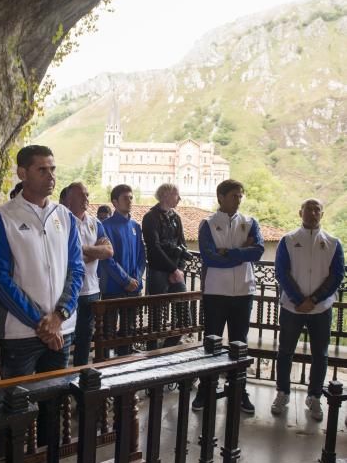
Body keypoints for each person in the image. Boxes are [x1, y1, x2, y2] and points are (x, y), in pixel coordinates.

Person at [0, 144, 84, 463]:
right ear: (22, 173)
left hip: (61, 330)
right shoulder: (3, 217)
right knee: (16, 407)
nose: (51, 176)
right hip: (20, 335)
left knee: (54, 405)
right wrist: (39, 322)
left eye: (53, 169)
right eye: (42, 169)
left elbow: (76, 269)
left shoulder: (64, 217)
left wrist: (60, 315)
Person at [192, 179, 264, 414]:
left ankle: (238, 390)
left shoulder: (250, 222)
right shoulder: (208, 224)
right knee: (212, 342)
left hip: (244, 290)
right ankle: (205, 389)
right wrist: (244, 252)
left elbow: (259, 251)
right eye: (234, 195)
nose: (239, 199)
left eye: (241, 195)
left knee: (239, 342)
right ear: (220, 197)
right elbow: (210, 257)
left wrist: (230, 252)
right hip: (215, 291)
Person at [271, 199, 344, 421]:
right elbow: (281, 272)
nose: (312, 213)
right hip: (292, 308)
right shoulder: (288, 240)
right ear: (300, 212)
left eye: (317, 209)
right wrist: (298, 299)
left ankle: (314, 397)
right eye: (308, 209)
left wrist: (313, 299)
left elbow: (337, 275)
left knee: (320, 355)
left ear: (322, 214)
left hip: (320, 309)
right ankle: (282, 393)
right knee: (285, 351)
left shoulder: (333, 242)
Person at [65, 182, 113, 365]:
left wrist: (83, 250)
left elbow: (109, 251)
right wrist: (95, 251)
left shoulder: (95, 222)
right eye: (81, 195)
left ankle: (81, 375)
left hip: (91, 289)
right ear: (70, 199)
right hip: (69, 289)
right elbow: (65, 257)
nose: (86, 198)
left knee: (86, 337)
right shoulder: (64, 221)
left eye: (87, 194)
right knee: (66, 336)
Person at [98, 184, 145, 356]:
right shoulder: (105, 226)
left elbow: (141, 256)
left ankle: (123, 368)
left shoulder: (135, 226)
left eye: (131, 197)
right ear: (115, 202)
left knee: (128, 330)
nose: (130, 201)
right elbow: (107, 259)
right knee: (107, 331)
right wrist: (125, 280)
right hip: (113, 287)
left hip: (133, 288)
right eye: (125, 198)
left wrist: (137, 279)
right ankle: (103, 369)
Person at [142, 183, 189, 349]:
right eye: (176, 194)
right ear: (165, 195)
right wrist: (173, 269)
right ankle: (152, 354)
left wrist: (180, 269)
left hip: (175, 272)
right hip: (159, 272)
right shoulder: (150, 217)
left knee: (184, 317)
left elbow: (182, 245)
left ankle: (166, 348)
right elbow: (154, 248)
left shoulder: (176, 217)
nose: (179, 198)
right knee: (156, 317)